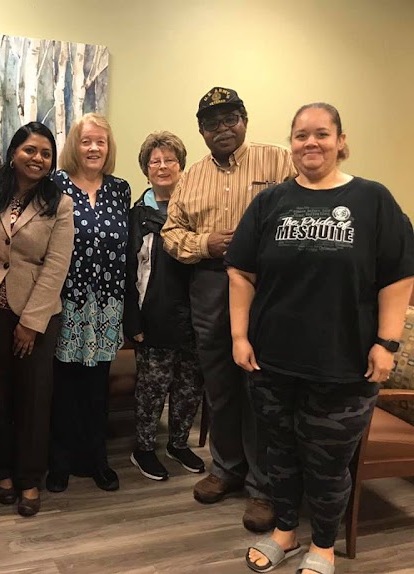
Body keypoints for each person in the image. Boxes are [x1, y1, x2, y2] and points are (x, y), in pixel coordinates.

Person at [226, 103, 414, 574]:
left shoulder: (373, 200)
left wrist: (387, 343)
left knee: (329, 464)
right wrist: (239, 336)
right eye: (301, 135)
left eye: (322, 134)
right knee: (280, 454)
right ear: (291, 143)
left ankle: (324, 546)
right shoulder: (270, 202)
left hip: (344, 365)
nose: (311, 142)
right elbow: (241, 272)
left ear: (340, 141)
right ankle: (285, 531)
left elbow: (398, 277)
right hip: (272, 362)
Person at [161, 87, 296, 532]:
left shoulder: (278, 161)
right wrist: (205, 243)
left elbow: (303, 208)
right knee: (218, 383)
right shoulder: (191, 177)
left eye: (230, 119)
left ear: (244, 120)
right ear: (201, 131)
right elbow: (171, 233)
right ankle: (226, 469)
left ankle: (263, 487)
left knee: (259, 387)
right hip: (210, 283)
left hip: (265, 286)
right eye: (211, 123)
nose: (222, 128)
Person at [0, 122, 74, 517]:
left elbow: (56, 265)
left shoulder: (59, 203)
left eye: (46, 153)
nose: (38, 158)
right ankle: (0, 470)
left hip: (37, 312)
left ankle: (29, 476)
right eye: (30, 150)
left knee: (34, 397)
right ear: (14, 152)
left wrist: (31, 322)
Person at [47, 113, 131, 493]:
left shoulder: (120, 189)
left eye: (101, 141)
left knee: (98, 387)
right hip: (67, 301)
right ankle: (60, 462)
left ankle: (97, 459)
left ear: (108, 147)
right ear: (74, 147)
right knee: (64, 385)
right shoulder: (56, 184)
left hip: (108, 304)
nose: (94, 148)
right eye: (86, 141)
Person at [124, 131, 204, 481]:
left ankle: (178, 443)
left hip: (195, 316)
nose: (162, 166)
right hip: (154, 316)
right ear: (146, 170)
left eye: (169, 160)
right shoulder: (137, 216)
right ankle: (143, 449)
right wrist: (133, 321)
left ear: (181, 166)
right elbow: (129, 270)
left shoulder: (197, 210)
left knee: (189, 387)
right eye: (154, 161)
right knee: (152, 389)